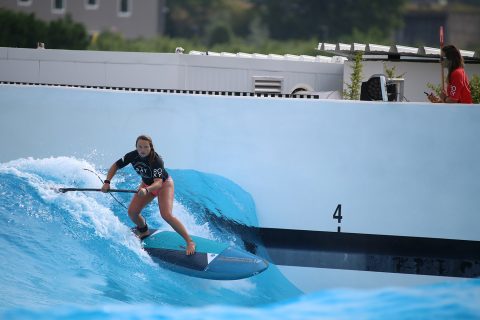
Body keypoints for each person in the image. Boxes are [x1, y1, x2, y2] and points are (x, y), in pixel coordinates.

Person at [101, 135, 196, 255]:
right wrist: (107, 182)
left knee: (166, 215)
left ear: (151, 147)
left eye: (146, 147)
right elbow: (116, 165)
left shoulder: (156, 160)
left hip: (164, 185)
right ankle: (143, 230)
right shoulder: (132, 155)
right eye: (140, 146)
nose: (142, 149)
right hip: (146, 184)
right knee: (132, 212)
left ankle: (189, 241)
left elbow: (158, 183)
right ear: (136, 147)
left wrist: (146, 190)